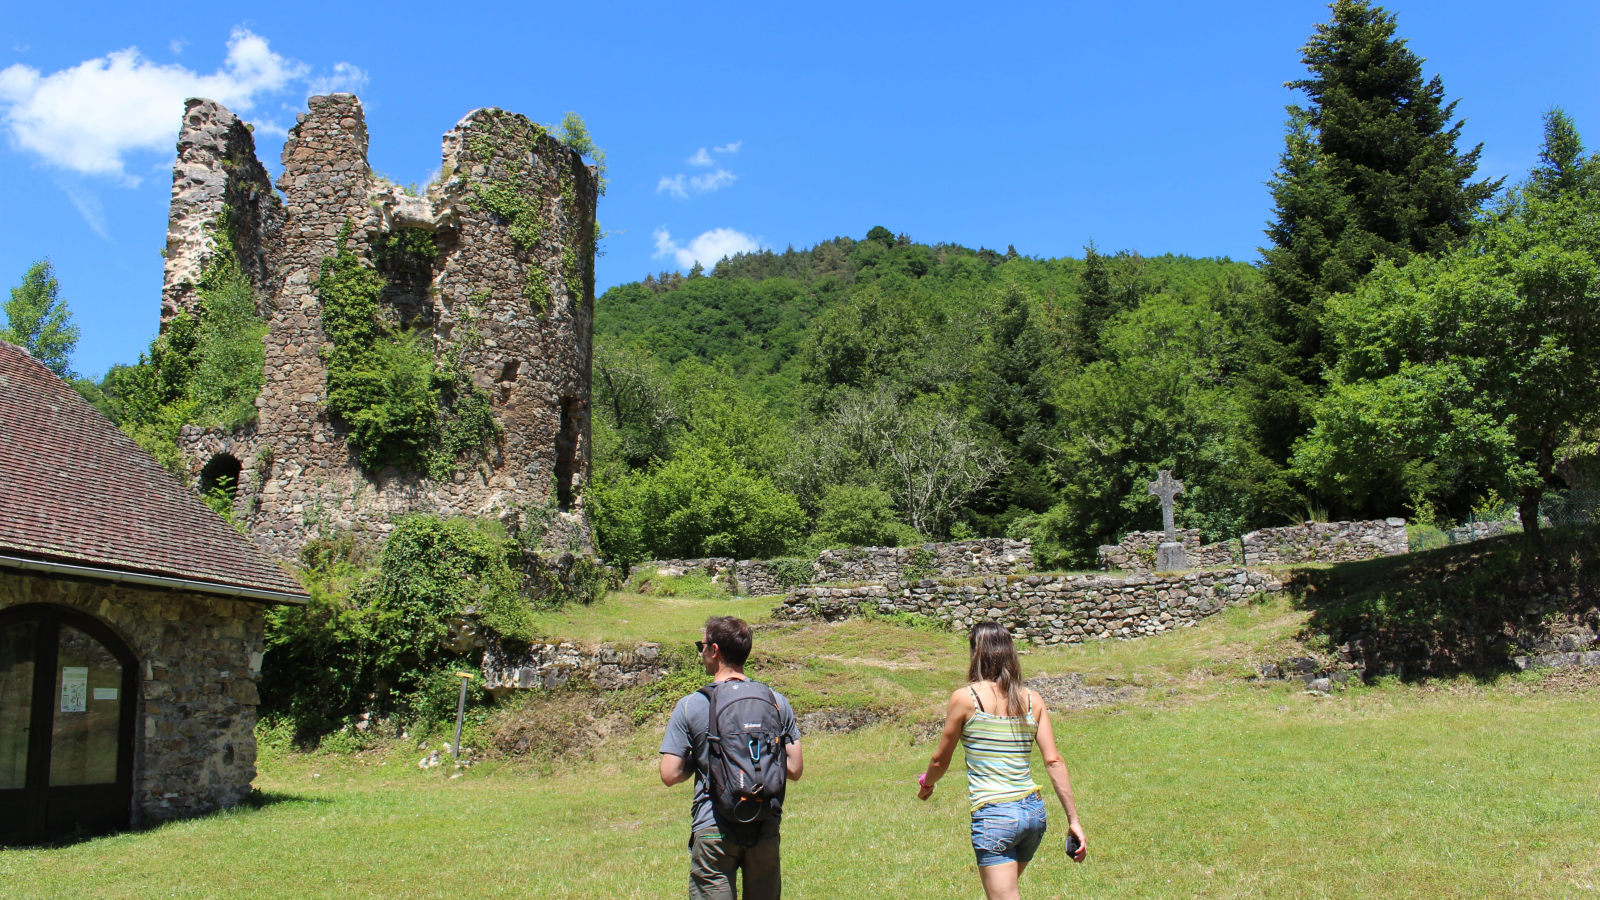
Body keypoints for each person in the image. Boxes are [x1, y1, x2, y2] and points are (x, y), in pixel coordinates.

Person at [917, 621, 1087, 900]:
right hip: (1033, 815)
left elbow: (939, 760)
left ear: (976, 653)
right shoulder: (1032, 700)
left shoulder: (965, 698)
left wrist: (927, 785)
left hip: (996, 816)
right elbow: (1054, 761)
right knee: (1004, 892)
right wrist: (1074, 820)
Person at [661, 616, 803, 900]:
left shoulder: (691, 705)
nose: (700, 653)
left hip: (713, 825)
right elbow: (795, 768)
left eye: (700, 646)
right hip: (764, 822)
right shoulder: (776, 701)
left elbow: (670, 773)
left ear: (714, 650)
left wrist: (704, 757)